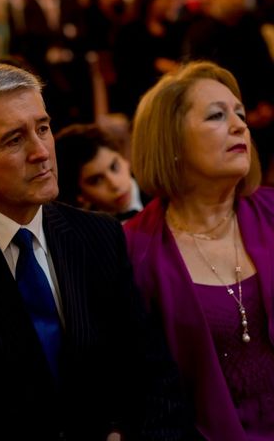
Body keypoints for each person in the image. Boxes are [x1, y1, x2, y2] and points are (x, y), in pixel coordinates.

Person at [0, 62, 194, 440]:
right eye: (15, 139)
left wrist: (123, 432)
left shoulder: (98, 236)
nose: (41, 151)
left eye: (43, 128)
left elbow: (153, 376)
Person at [124, 60, 274, 439]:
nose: (241, 125)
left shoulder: (272, 212)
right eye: (216, 116)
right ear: (171, 141)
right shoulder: (136, 251)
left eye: (240, 113)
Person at [55, 123, 144, 221]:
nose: (115, 184)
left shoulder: (158, 193)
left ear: (125, 159)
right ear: (81, 196)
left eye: (114, 167)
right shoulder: (86, 228)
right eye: (97, 180)